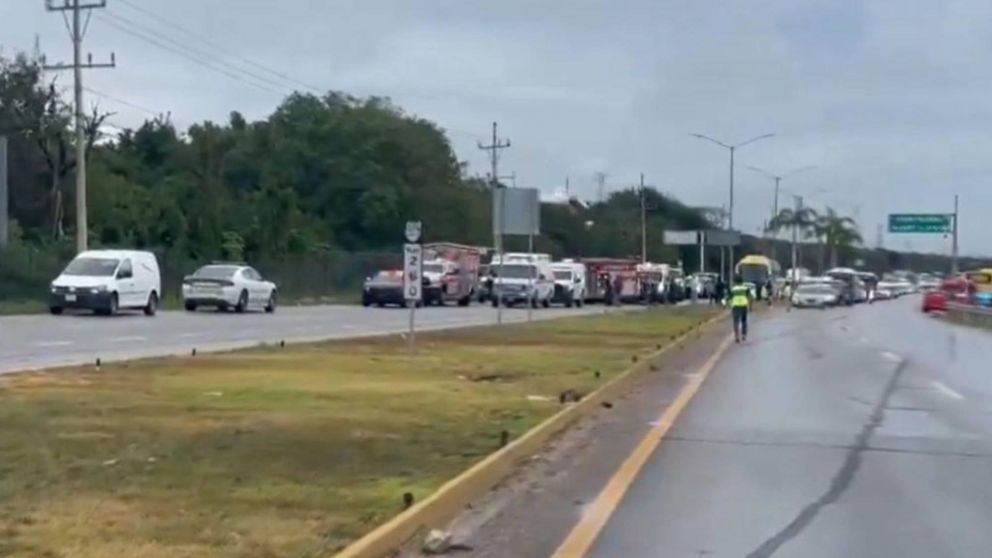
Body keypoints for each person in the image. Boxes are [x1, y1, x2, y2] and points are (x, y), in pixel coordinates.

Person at [727, 274, 753, 343]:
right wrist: (750, 306)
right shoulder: (745, 288)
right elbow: (750, 297)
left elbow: (729, 298)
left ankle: (737, 336)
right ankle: (743, 335)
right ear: (742, 281)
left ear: (735, 281)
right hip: (744, 305)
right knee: (744, 321)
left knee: (736, 321)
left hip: (735, 306)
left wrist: (729, 305)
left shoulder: (732, 289)